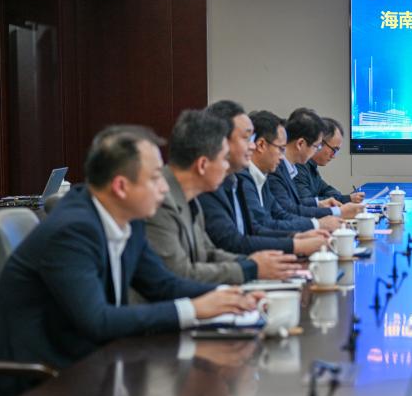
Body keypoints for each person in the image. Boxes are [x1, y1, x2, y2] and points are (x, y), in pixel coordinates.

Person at [0, 125, 260, 369]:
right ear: (121, 186)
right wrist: (193, 309)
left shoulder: (129, 220)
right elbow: (98, 321)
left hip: (95, 362)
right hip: (45, 379)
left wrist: (232, 296)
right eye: (155, 177)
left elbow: (163, 285)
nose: (164, 188)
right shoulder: (72, 231)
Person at [145, 109, 300, 285]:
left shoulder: (191, 197)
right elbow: (179, 274)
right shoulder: (161, 201)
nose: (227, 168)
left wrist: (255, 263)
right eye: (224, 159)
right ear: (203, 165)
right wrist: (251, 268)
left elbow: (208, 252)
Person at [198, 100, 328, 256]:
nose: (252, 146)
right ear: (221, 141)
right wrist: (296, 243)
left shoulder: (238, 179)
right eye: (246, 138)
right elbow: (232, 242)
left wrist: (295, 237)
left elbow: (257, 227)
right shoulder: (219, 183)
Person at [244, 110, 342, 234]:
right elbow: (278, 216)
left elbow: (279, 213)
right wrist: (318, 224)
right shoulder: (249, 178)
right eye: (280, 148)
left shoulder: (264, 174)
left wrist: (304, 235)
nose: (282, 156)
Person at [267, 107, 362, 220]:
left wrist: (318, 203)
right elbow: (288, 212)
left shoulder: (291, 168)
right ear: (300, 144)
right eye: (317, 146)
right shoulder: (277, 169)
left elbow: (294, 205)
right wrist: (336, 212)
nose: (316, 150)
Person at [296, 116, 365, 205]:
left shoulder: (311, 166)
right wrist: (342, 199)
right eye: (334, 150)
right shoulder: (299, 165)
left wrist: (344, 198)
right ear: (319, 143)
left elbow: (326, 190)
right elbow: (308, 203)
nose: (333, 156)